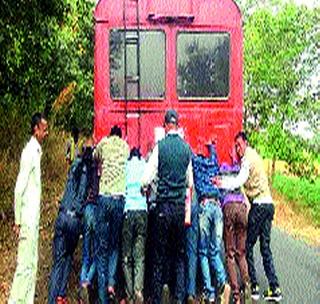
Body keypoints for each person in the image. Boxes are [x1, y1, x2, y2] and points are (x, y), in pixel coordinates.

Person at [213, 131, 282, 302]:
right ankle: (275, 288)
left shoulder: (247, 160)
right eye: (236, 146)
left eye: (239, 145)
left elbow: (239, 180)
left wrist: (221, 183)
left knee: (246, 247)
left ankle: (253, 287)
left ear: (245, 143)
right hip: (269, 205)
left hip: (259, 206)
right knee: (265, 248)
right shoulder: (255, 156)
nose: (238, 148)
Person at [141, 109, 193, 304]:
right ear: (177, 125)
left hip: (163, 208)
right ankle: (178, 298)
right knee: (179, 255)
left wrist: (143, 186)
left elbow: (147, 177)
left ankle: (156, 297)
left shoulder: (159, 147)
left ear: (165, 126)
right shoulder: (186, 149)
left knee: (159, 254)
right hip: (179, 208)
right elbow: (190, 182)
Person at [8, 112, 48, 304]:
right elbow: (18, 189)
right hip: (26, 218)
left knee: (32, 264)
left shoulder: (37, 152)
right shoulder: (29, 152)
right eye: (43, 129)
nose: (45, 133)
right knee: (24, 265)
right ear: (35, 129)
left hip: (33, 218)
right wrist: (17, 220)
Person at [48, 143, 93, 304]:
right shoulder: (89, 173)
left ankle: (53, 300)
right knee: (68, 256)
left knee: (58, 262)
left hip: (62, 215)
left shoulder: (74, 166)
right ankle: (61, 295)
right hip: (75, 220)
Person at [94, 125, 129, 303]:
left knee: (101, 248)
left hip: (105, 198)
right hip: (118, 200)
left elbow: (95, 157)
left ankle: (102, 297)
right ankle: (111, 284)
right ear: (120, 136)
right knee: (115, 245)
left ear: (110, 134)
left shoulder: (104, 142)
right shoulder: (125, 146)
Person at [192, 142, 230, 304]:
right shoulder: (214, 164)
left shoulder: (196, 165)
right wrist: (212, 146)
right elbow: (214, 155)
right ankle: (223, 282)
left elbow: (190, 155)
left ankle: (210, 292)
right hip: (217, 207)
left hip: (205, 207)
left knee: (203, 251)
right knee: (215, 250)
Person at [219, 163, 251, 304]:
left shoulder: (221, 169)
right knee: (241, 253)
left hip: (230, 207)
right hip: (242, 207)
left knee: (230, 254)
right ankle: (247, 284)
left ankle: (237, 295)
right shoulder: (238, 168)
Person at [122, 147, 148, 304]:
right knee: (139, 256)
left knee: (126, 256)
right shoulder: (144, 165)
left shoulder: (126, 166)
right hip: (142, 212)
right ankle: (139, 290)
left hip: (128, 211)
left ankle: (130, 294)